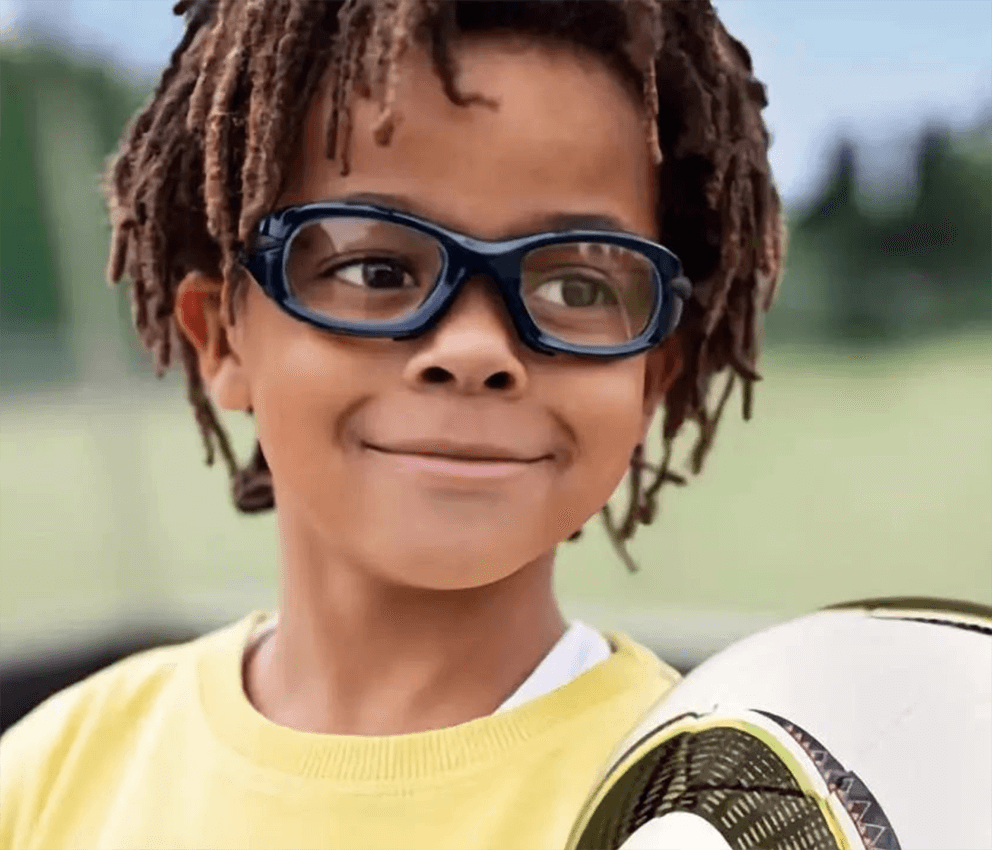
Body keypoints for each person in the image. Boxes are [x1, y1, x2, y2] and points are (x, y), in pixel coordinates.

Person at [0, 1, 785, 848]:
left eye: (577, 287)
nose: (477, 348)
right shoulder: (52, 774)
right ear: (220, 339)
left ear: (650, 380)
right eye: (375, 266)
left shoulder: (709, 815)